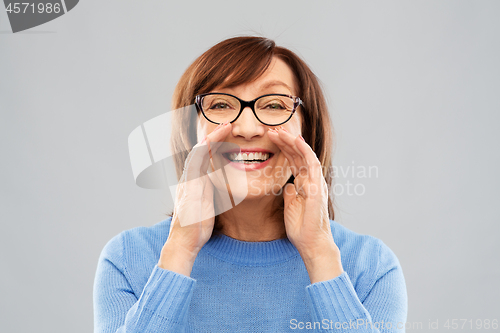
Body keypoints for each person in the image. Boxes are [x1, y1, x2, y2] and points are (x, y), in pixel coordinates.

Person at [93, 36, 407, 332]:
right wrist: (181, 249)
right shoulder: (127, 258)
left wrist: (319, 255)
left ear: (308, 131)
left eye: (273, 105)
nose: (247, 128)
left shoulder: (370, 267)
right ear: (189, 133)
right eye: (220, 105)